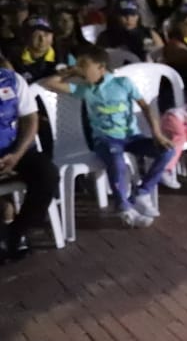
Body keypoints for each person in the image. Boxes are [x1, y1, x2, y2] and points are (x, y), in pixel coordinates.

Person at [44, 47, 173, 228]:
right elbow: (51, 82)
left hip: (131, 137)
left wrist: (157, 134)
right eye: (79, 65)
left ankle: (142, 192)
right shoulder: (85, 89)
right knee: (116, 159)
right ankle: (124, 207)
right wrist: (71, 71)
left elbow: (145, 107)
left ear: (101, 67)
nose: (80, 69)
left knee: (167, 151)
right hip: (106, 140)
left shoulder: (123, 83)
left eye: (84, 65)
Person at [0, 54, 59, 263]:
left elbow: (30, 119)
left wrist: (17, 154)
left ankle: (16, 231)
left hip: (15, 150)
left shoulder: (13, 80)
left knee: (48, 175)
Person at [98, 0, 164, 61]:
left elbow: (161, 55)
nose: (129, 19)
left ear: (138, 16)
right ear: (116, 16)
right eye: (124, 15)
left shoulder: (149, 33)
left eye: (133, 15)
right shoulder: (106, 37)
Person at [13, 15, 69, 83]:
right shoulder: (14, 60)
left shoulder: (65, 57)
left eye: (46, 34)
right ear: (26, 37)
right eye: (36, 35)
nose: (42, 39)